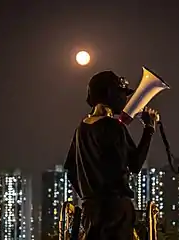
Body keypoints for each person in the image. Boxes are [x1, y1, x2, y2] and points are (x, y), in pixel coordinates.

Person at [64, 70, 159, 240]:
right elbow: (135, 164)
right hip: (116, 214)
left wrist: (90, 197)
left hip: (90, 213)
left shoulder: (81, 129)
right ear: (110, 94)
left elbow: (71, 169)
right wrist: (149, 129)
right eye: (122, 94)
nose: (125, 99)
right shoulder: (114, 127)